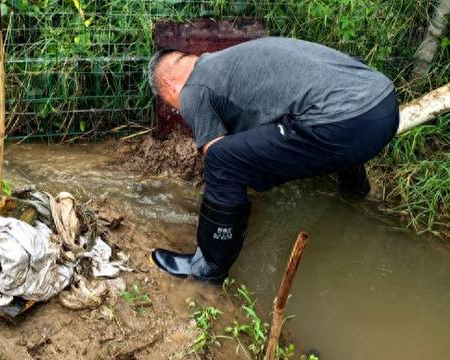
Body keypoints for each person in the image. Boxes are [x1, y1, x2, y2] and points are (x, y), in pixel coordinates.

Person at [147, 37, 399, 283]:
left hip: (346, 123)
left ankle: (208, 266)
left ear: (168, 85)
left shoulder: (192, 89)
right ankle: (354, 191)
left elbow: (217, 153)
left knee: (223, 159)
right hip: (382, 103)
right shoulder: (228, 63)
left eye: (170, 104)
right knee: (312, 114)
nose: (177, 109)